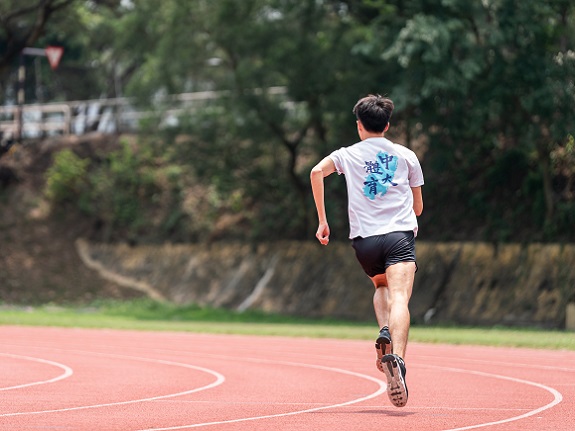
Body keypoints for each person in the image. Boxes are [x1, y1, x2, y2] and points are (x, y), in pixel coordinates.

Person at [310, 94, 424, 408]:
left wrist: (323, 220)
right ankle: (397, 358)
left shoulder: (347, 154)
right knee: (400, 296)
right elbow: (419, 207)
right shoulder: (406, 156)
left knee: (381, 286)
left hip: (365, 241)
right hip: (398, 235)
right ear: (387, 125)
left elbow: (315, 172)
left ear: (359, 126)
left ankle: (384, 328)